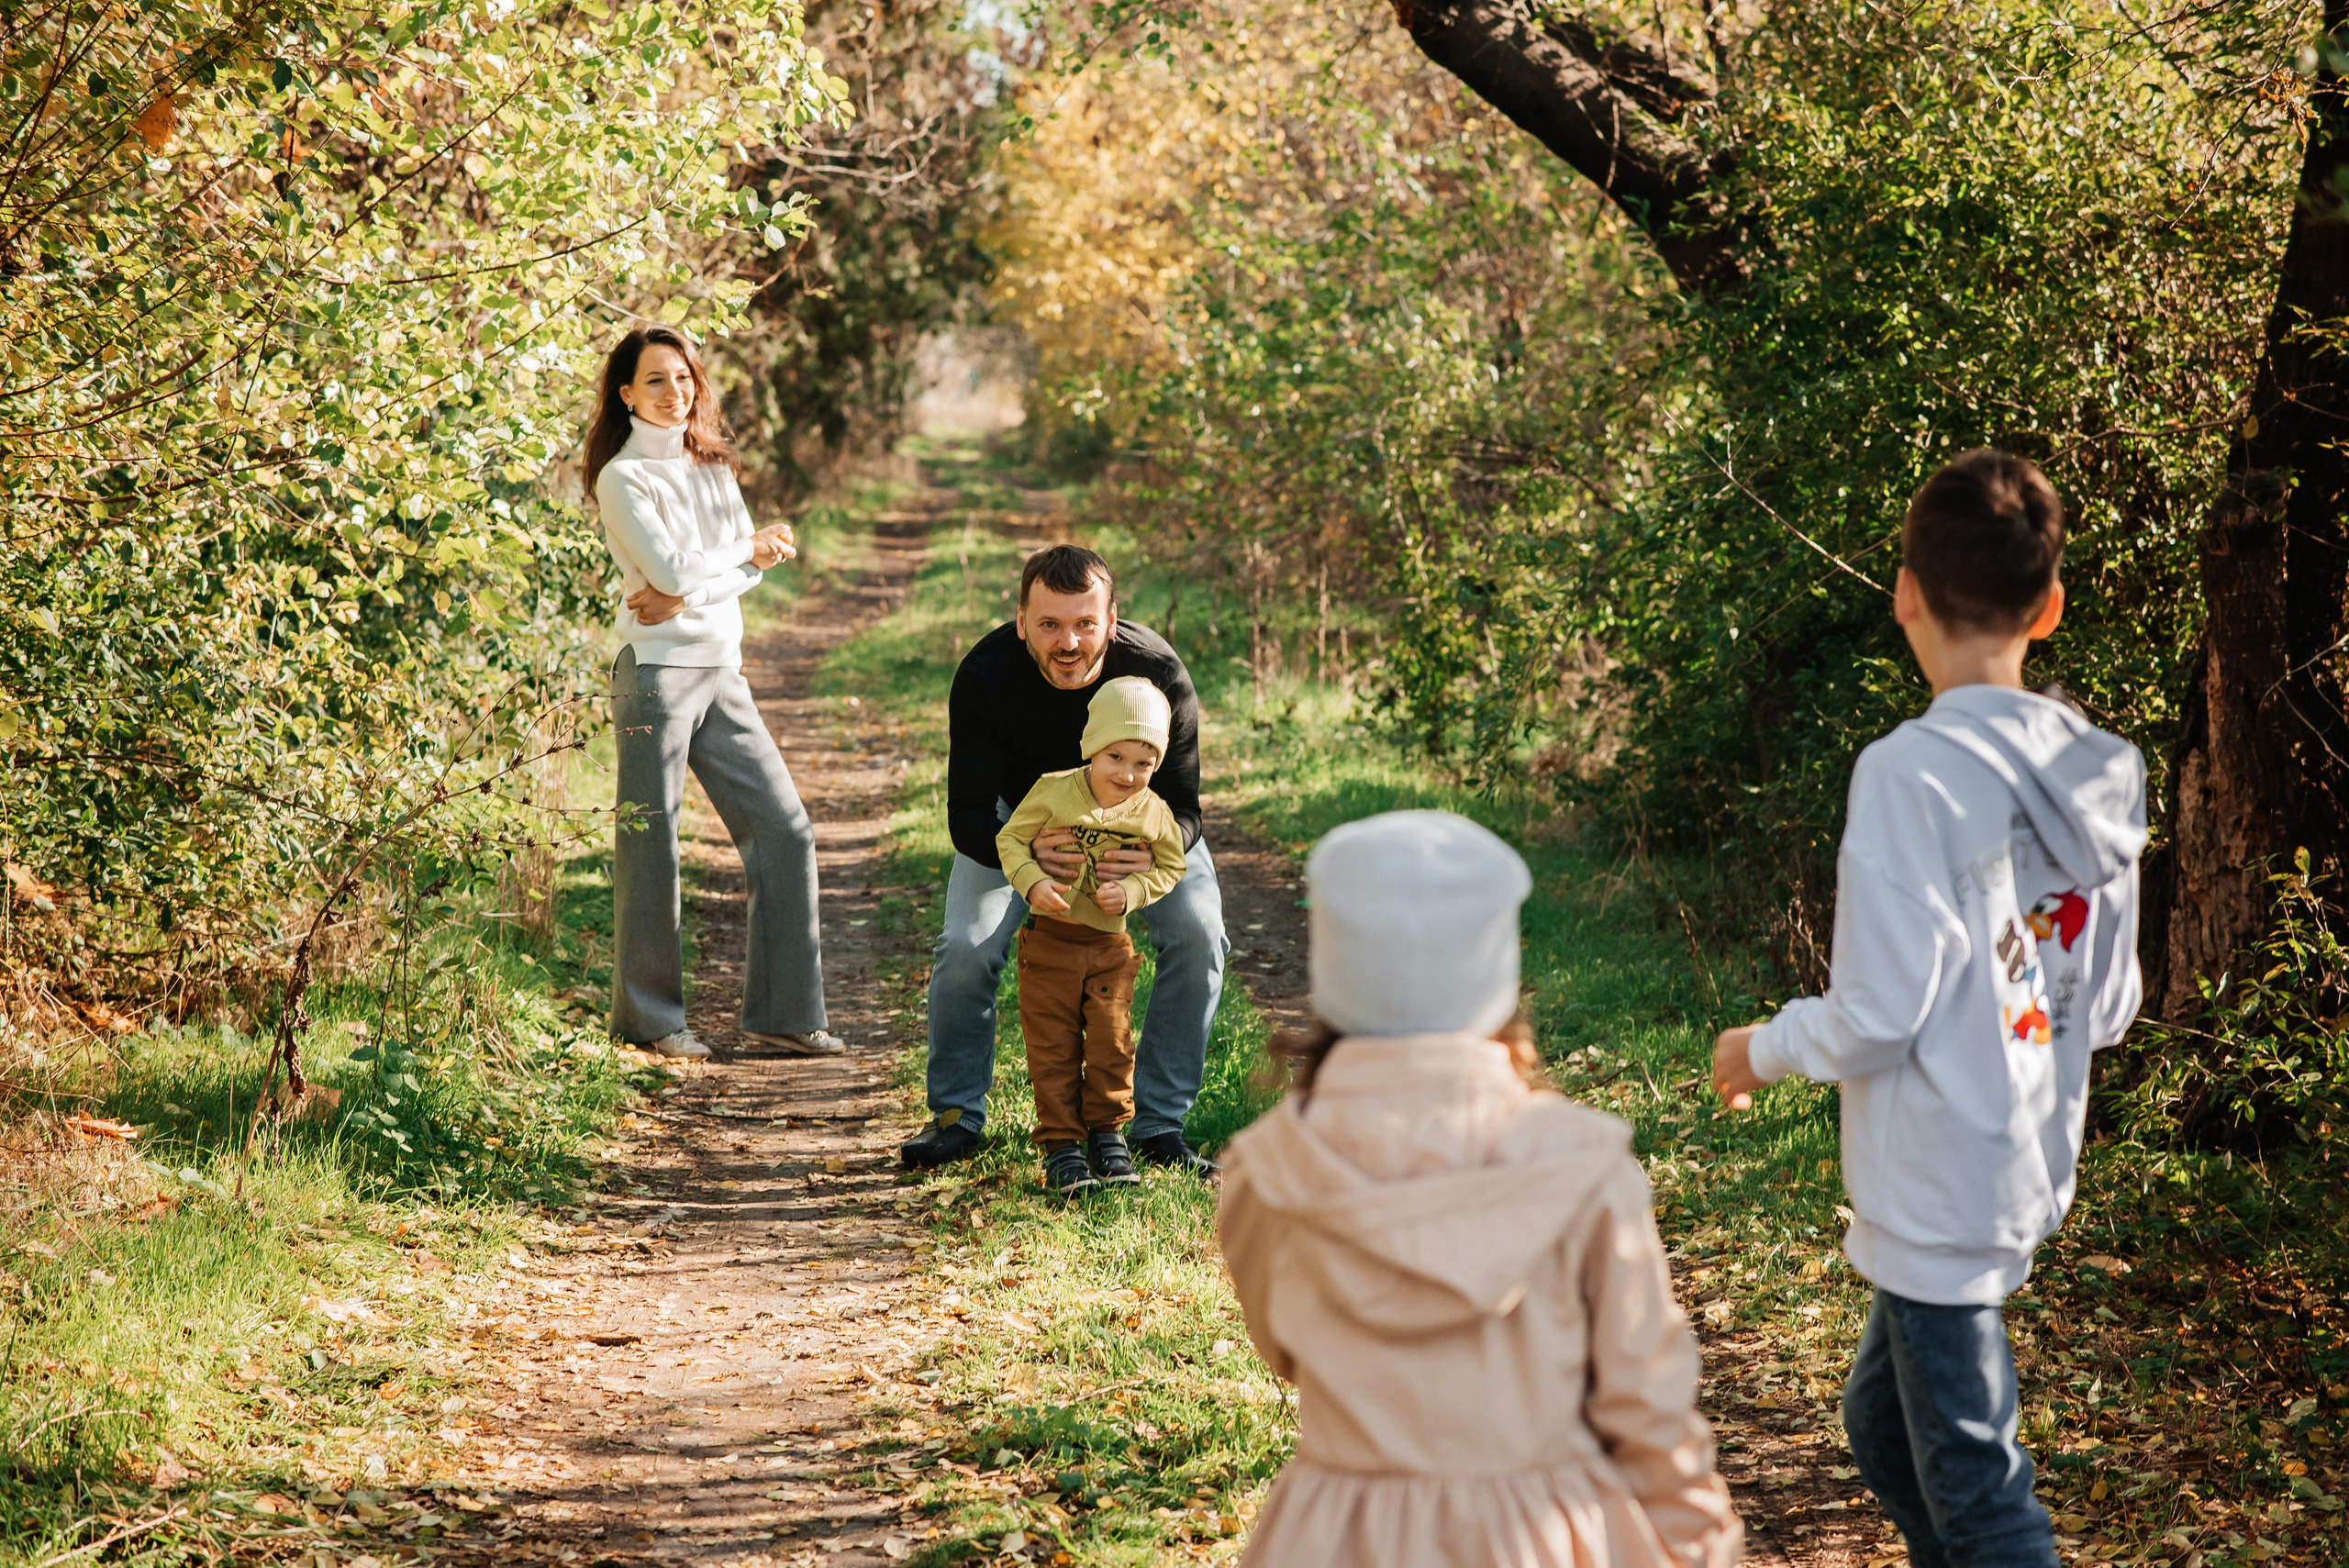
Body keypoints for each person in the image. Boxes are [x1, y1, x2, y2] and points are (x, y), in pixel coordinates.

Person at [1712, 449, 2144, 1568]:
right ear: (2048, 607)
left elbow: (1876, 1011)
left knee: (1978, 1486)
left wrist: (1758, 1047)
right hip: (2022, 1152)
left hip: (1933, 1178)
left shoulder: (1910, 771)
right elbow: (2104, 1006)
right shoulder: (2102, 769)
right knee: (1886, 1427)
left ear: (1903, 592)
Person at [1217, 810, 1742, 1568]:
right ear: (1498, 974)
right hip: (1544, 1534)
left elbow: (1283, 1347)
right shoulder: (1582, 1164)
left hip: (1338, 1534)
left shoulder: (1268, 1167)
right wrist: (1699, 1541)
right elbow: (1646, 1397)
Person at [901, 544, 1227, 1174]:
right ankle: (955, 1116)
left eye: (1084, 623)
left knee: (1199, 930)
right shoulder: (985, 675)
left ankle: (1159, 1123)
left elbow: (1186, 808)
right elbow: (967, 811)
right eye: (1049, 624)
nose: (1068, 641)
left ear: (1112, 619)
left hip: (1139, 826)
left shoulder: (1158, 672)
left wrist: (1141, 856)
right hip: (1021, 824)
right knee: (967, 946)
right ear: (1021, 619)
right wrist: (1019, 852)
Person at [584, 324, 842, 1062]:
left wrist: (687, 591)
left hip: (721, 669)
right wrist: (727, 558)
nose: (676, 391)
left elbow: (741, 573)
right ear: (627, 393)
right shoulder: (623, 478)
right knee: (651, 844)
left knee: (785, 829)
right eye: (657, 380)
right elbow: (679, 565)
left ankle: (784, 1015)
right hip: (656, 676)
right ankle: (651, 1021)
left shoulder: (713, 467)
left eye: (684, 377)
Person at [996, 677, 1191, 1197]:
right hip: (1049, 944)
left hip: (1109, 949)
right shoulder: (1055, 790)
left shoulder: (1153, 811)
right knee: (1053, 1046)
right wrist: (1032, 880)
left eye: (1144, 763)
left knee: (1112, 1041)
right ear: (1092, 748)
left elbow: (1172, 865)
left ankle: (1107, 1136)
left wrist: (1132, 890)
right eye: (1115, 757)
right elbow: (1010, 837)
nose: (1128, 774)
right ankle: (1062, 1144)